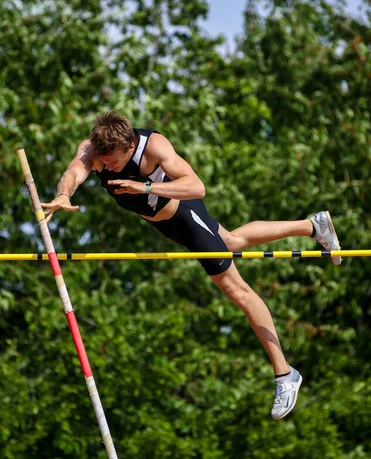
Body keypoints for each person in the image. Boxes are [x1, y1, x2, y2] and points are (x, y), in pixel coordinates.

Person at [41, 111, 342, 420]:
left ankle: (284, 372)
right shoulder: (94, 150)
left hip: (183, 215)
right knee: (233, 241)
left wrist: (145, 188)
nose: (109, 168)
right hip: (167, 225)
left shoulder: (153, 147)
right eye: (105, 163)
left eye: (115, 162)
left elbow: (196, 187)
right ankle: (313, 226)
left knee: (237, 290)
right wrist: (64, 194)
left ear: (130, 146)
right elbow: (76, 171)